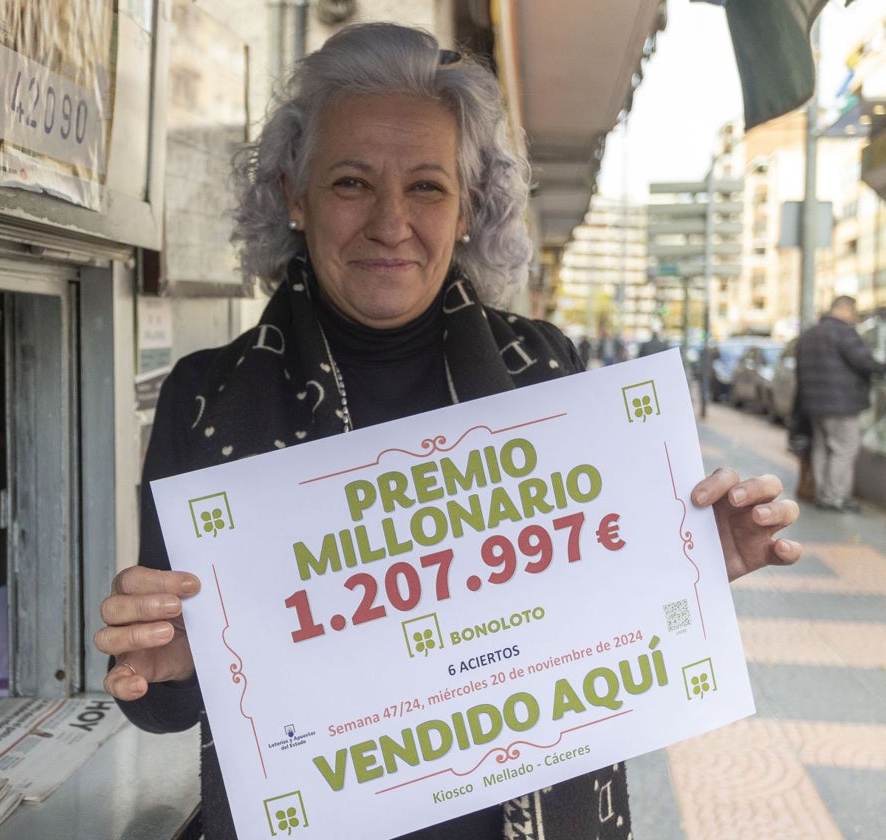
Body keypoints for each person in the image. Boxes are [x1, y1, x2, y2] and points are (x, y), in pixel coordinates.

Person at [94, 23, 801, 840]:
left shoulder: (548, 372)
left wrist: (686, 565)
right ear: (295, 193)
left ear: (468, 205)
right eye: (352, 182)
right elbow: (165, 705)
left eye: (427, 187)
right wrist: (169, 667)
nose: (391, 222)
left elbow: (598, 624)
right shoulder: (207, 402)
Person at [795, 295, 886, 512]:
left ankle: (821, 492)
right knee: (845, 448)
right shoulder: (843, 332)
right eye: (853, 312)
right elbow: (864, 362)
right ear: (845, 309)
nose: (854, 318)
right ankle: (834, 497)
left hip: (813, 404)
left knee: (821, 446)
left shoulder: (810, 333)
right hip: (841, 403)